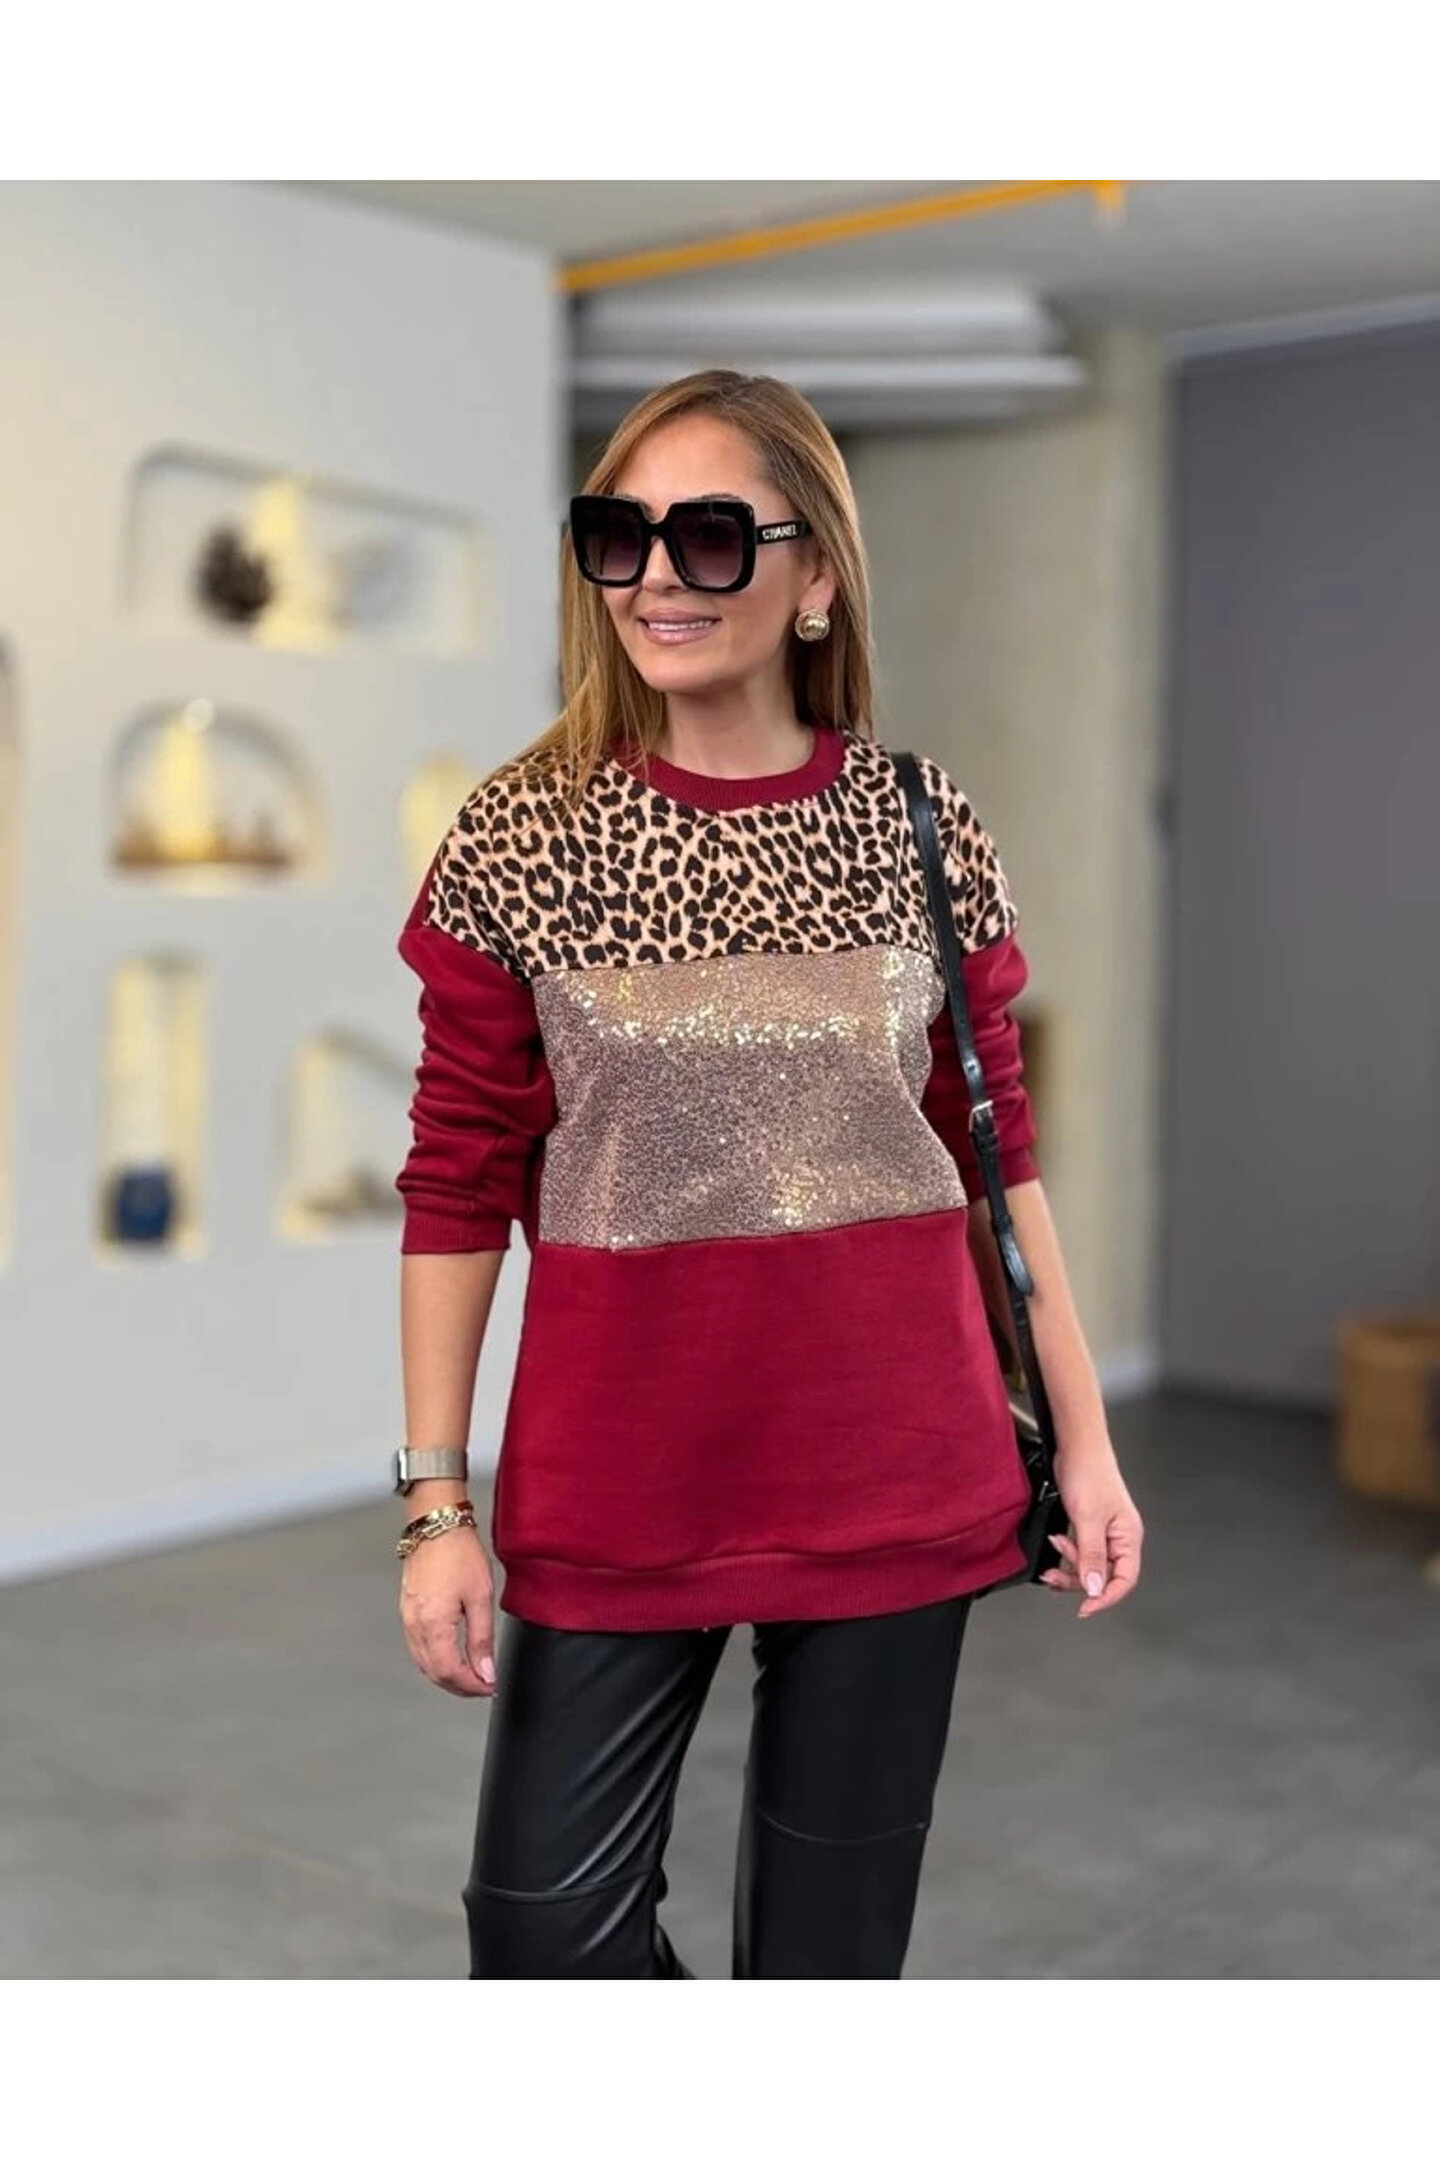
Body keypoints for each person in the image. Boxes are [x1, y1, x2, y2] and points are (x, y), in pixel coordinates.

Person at [392, 367, 1144, 1980]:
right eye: (622, 535)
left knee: (826, 1965)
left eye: (714, 536)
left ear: (815, 579)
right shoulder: (523, 838)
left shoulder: (918, 824)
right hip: (617, 1478)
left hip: (897, 1464)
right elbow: (455, 1179)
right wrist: (435, 1502)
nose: (658, 577)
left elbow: (995, 1158)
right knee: (541, 1936)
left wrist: (1085, 1441)